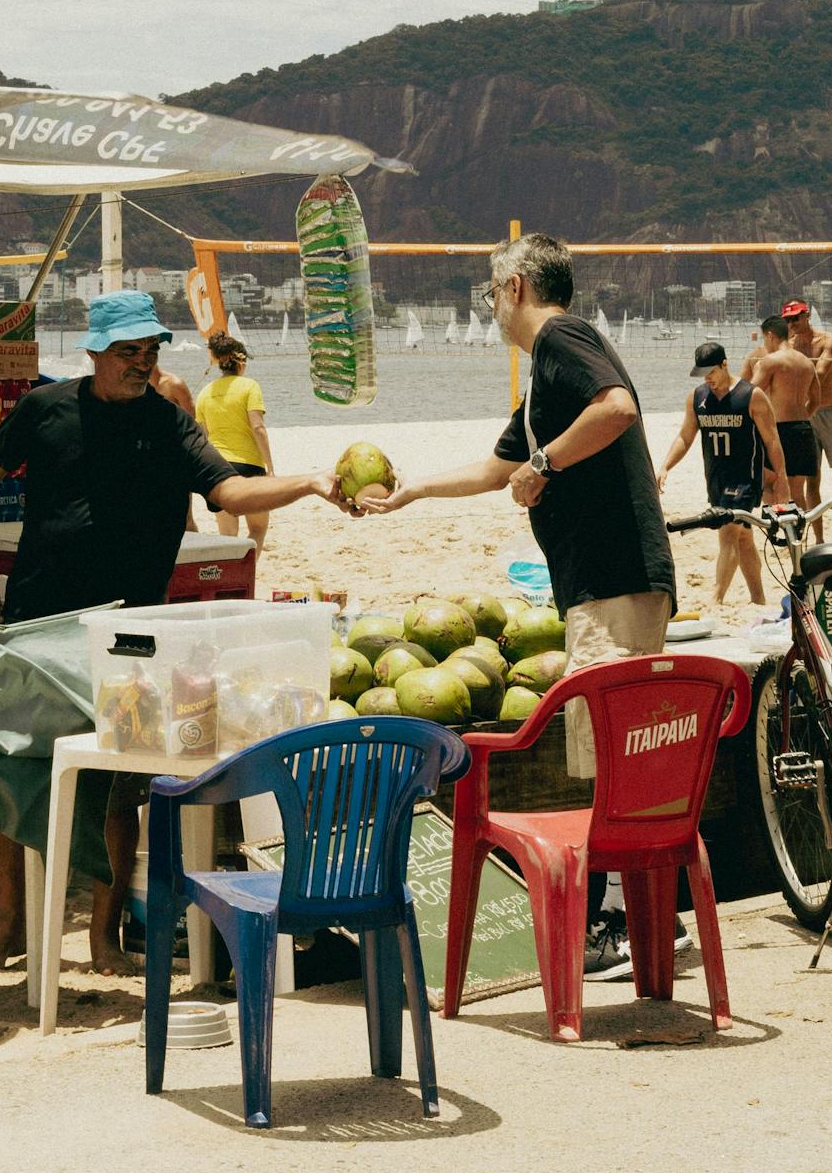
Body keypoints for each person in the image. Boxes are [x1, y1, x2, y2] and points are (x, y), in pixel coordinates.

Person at [0, 290, 343, 973]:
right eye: (128, 351)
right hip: (37, 624)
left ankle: (102, 938)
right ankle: (10, 922)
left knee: (117, 786)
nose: (142, 363)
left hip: (130, 637)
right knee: (10, 771)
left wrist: (309, 483)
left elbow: (229, 492)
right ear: (95, 352)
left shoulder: (169, 424)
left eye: (151, 351)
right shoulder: (44, 410)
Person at [344, 231, 675, 978]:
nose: (492, 307)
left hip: (612, 577)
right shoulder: (543, 378)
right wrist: (412, 493)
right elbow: (497, 469)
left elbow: (617, 408)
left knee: (611, 758)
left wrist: (546, 462)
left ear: (516, 289)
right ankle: (642, 916)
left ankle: (622, 926)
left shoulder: (562, 337)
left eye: (492, 294)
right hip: (603, 579)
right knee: (615, 753)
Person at [657, 342, 785, 606]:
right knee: (744, 538)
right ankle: (758, 598)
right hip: (716, 477)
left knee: (727, 532)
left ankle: (716, 598)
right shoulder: (697, 398)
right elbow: (685, 436)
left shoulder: (751, 396)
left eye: (712, 371)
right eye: (703, 373)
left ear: (725, 364)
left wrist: (781, 478)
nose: (708, 378)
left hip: (745, 478)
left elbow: (772, 440)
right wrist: (666, 466)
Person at [782, 299, 832, 539]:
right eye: (788, 319)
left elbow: (821, 374)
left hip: (828, 412)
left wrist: (785, 369)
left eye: (796, 317)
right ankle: (819, 540)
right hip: (803, 414)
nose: (792, 323)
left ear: (807, 316)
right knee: (811, 481)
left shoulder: (828, 340)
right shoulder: (788, 346)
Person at [196, 330, 277, 550]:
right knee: (258, 530)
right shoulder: (250, 386)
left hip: (218, 469)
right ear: (241, 363)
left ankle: (230, 582)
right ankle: (249, 577)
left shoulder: (205, 393)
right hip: (249, 466)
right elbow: (258, 427)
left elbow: (202, 438)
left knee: (228, 538)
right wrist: (270, 468)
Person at [749, 317, 821, 531]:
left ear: (770, 335)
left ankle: (778, 531)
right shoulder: (806, 362)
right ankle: (797, 535)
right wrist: (801, 418)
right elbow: (816, 399)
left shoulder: (770, 362)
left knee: (769, 484)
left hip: (780, 430)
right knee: (797, 490)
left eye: (764, 339)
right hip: (804, 429)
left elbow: (749, 395)